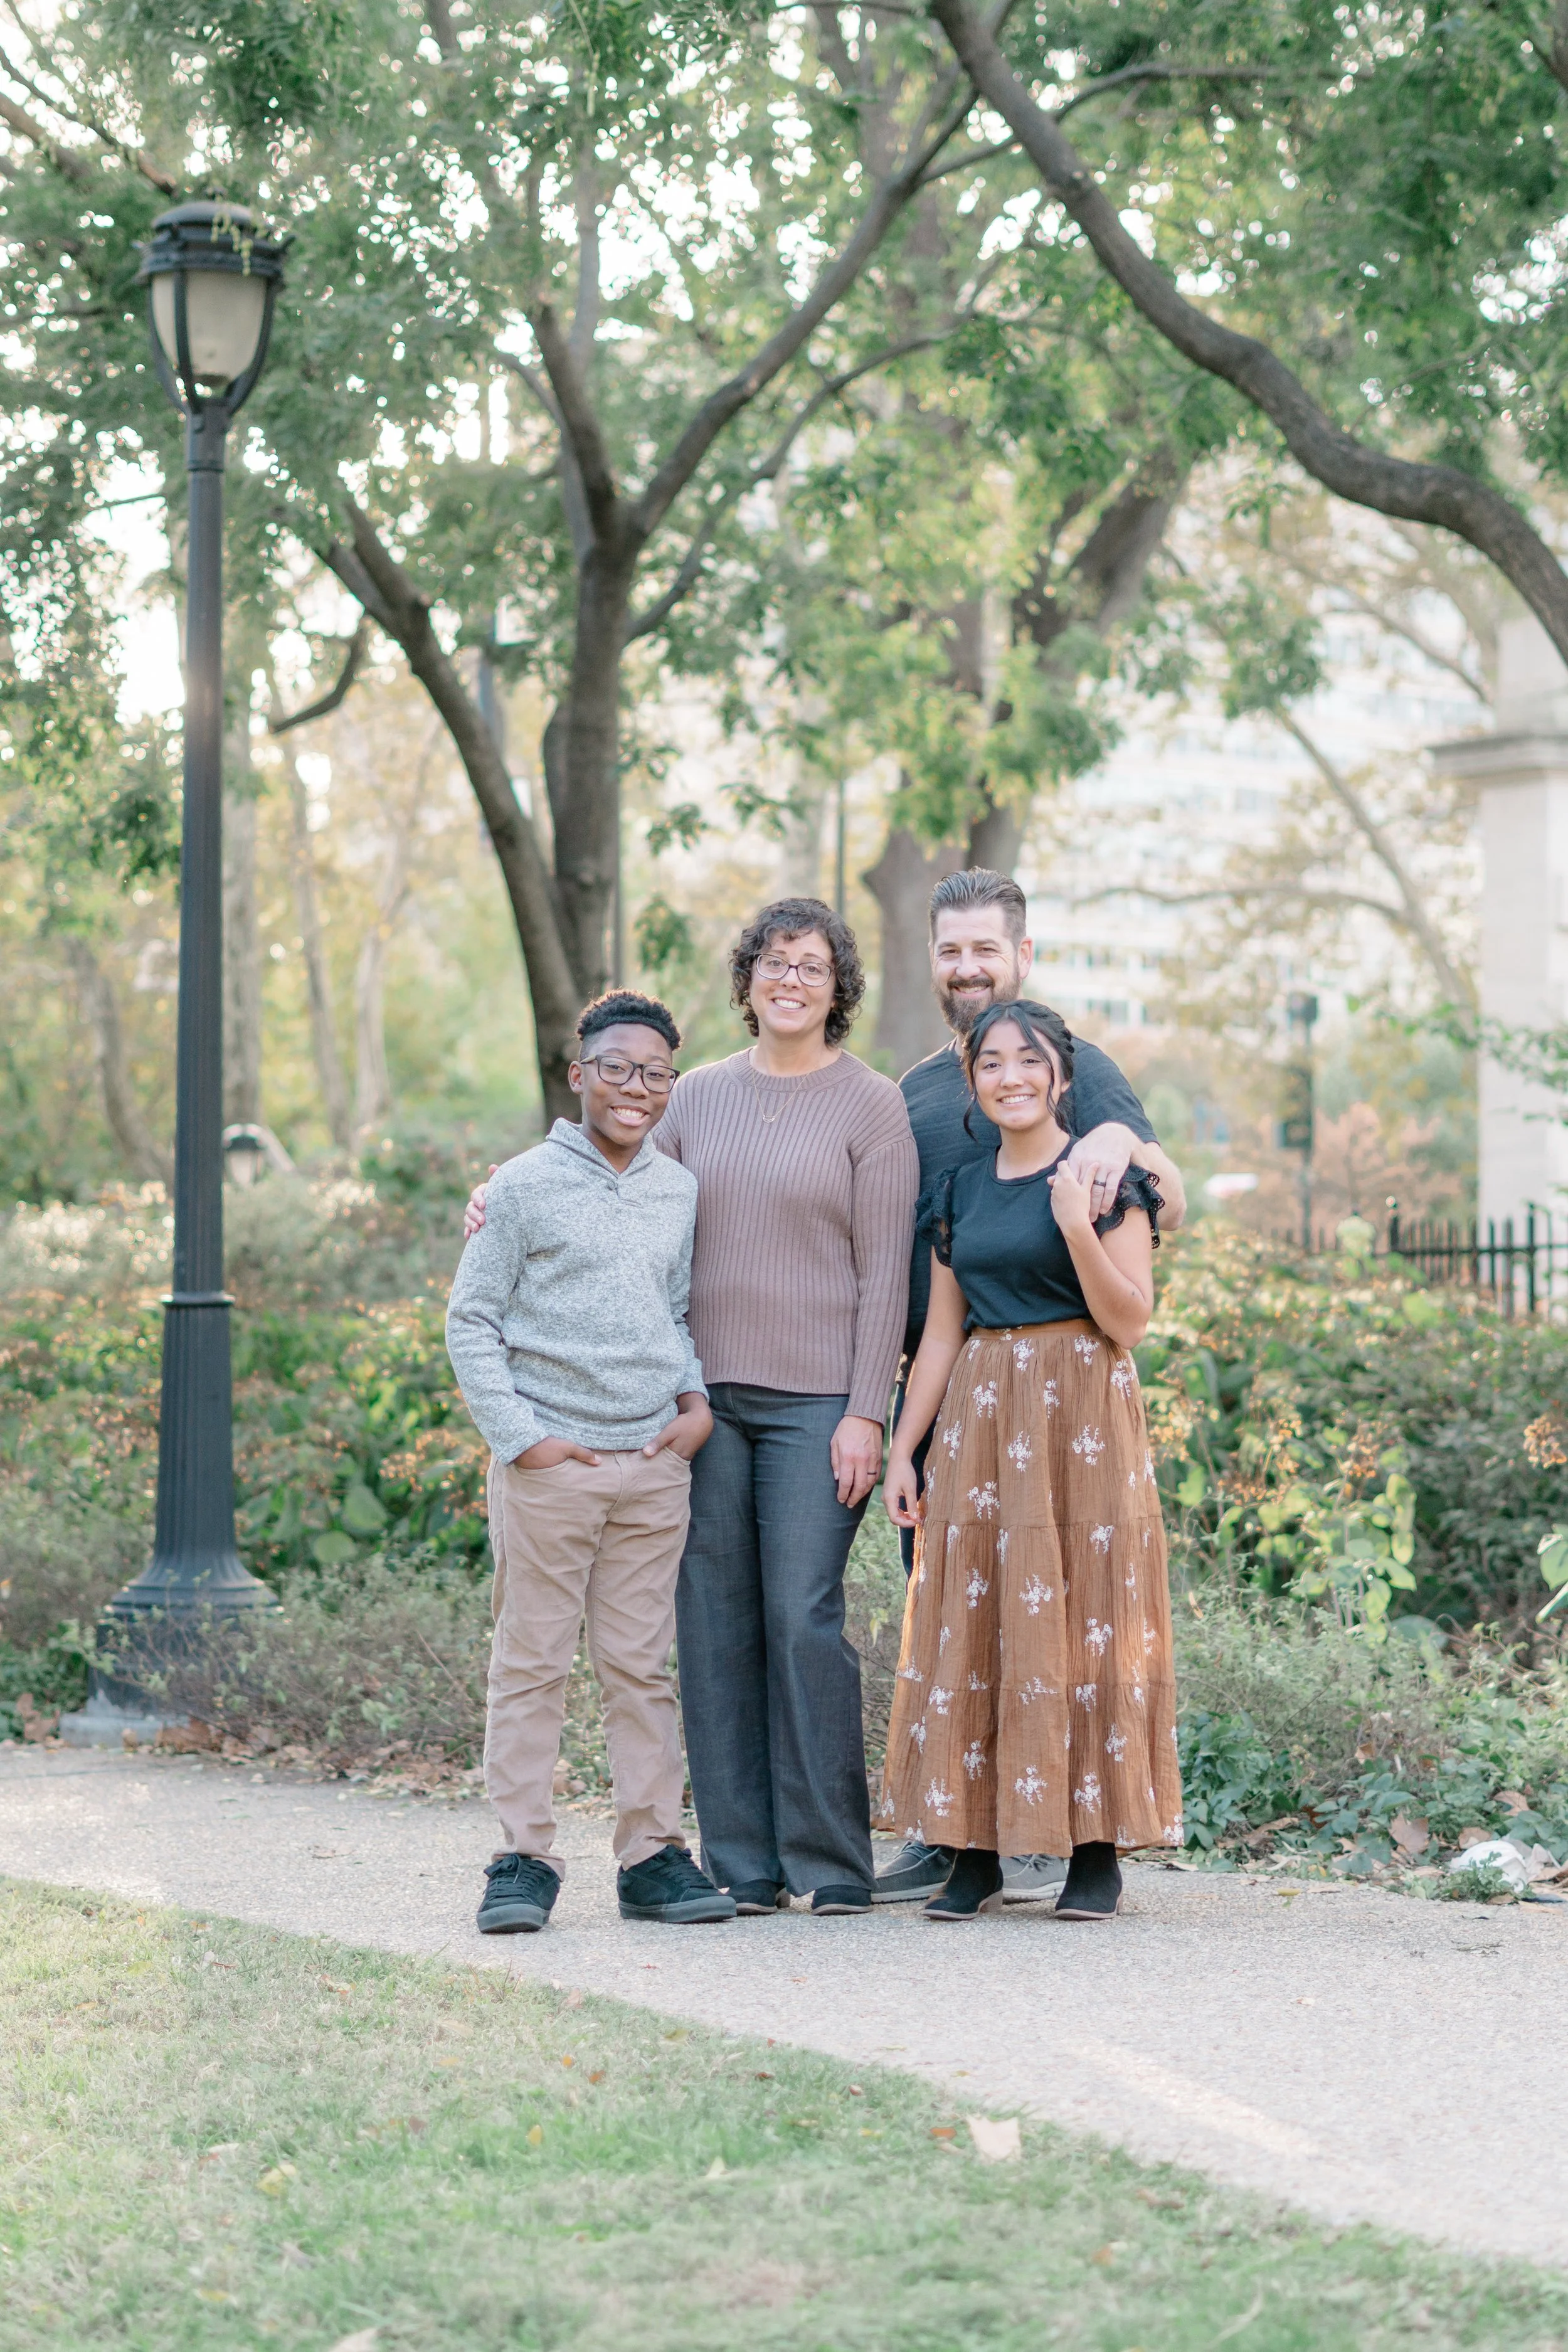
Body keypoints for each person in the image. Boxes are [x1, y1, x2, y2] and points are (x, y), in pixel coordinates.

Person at [874, 867, 1187, 1908]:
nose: (968, 968)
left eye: (986, 949)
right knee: (974, 1626)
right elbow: (940, 1307)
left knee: (1087, 1618)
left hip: (1079, 1410)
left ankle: (1093, 1844)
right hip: (970, 1410)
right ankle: (965, 1838)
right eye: (950, 950)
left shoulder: (1084, 1075)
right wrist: (900, 1445)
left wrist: (1107, 1161)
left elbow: (1152, 1211)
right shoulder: (923, 1104)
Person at [445, 990, 734, 1935]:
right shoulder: (524, 1183)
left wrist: (693, 1405)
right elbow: (472, 1319)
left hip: (653, 1463)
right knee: (531, 1662)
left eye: (655, 1073)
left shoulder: (677, 1188)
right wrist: (524, 1440)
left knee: (641, 1669)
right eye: (616, 1067)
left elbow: (674, 1311)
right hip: (552, 1468)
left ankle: (651, 1859)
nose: (635, 1087)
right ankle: (522, 1857)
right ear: (580, 1074)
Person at [658, 898, 919, 1915]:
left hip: (819, 1403)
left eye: (812, 964)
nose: (791, 978)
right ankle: (743, 1861)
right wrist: (510, 1182)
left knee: (802, 1614)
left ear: (837, 985)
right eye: (775, 960)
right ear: (749, 978)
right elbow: (630, 1201)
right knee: (714, 1618)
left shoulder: (871, 1105)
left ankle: (828, 1861)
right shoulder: (693, 1097)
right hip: (706, 1397)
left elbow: (885, 1273)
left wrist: (867, 1410)